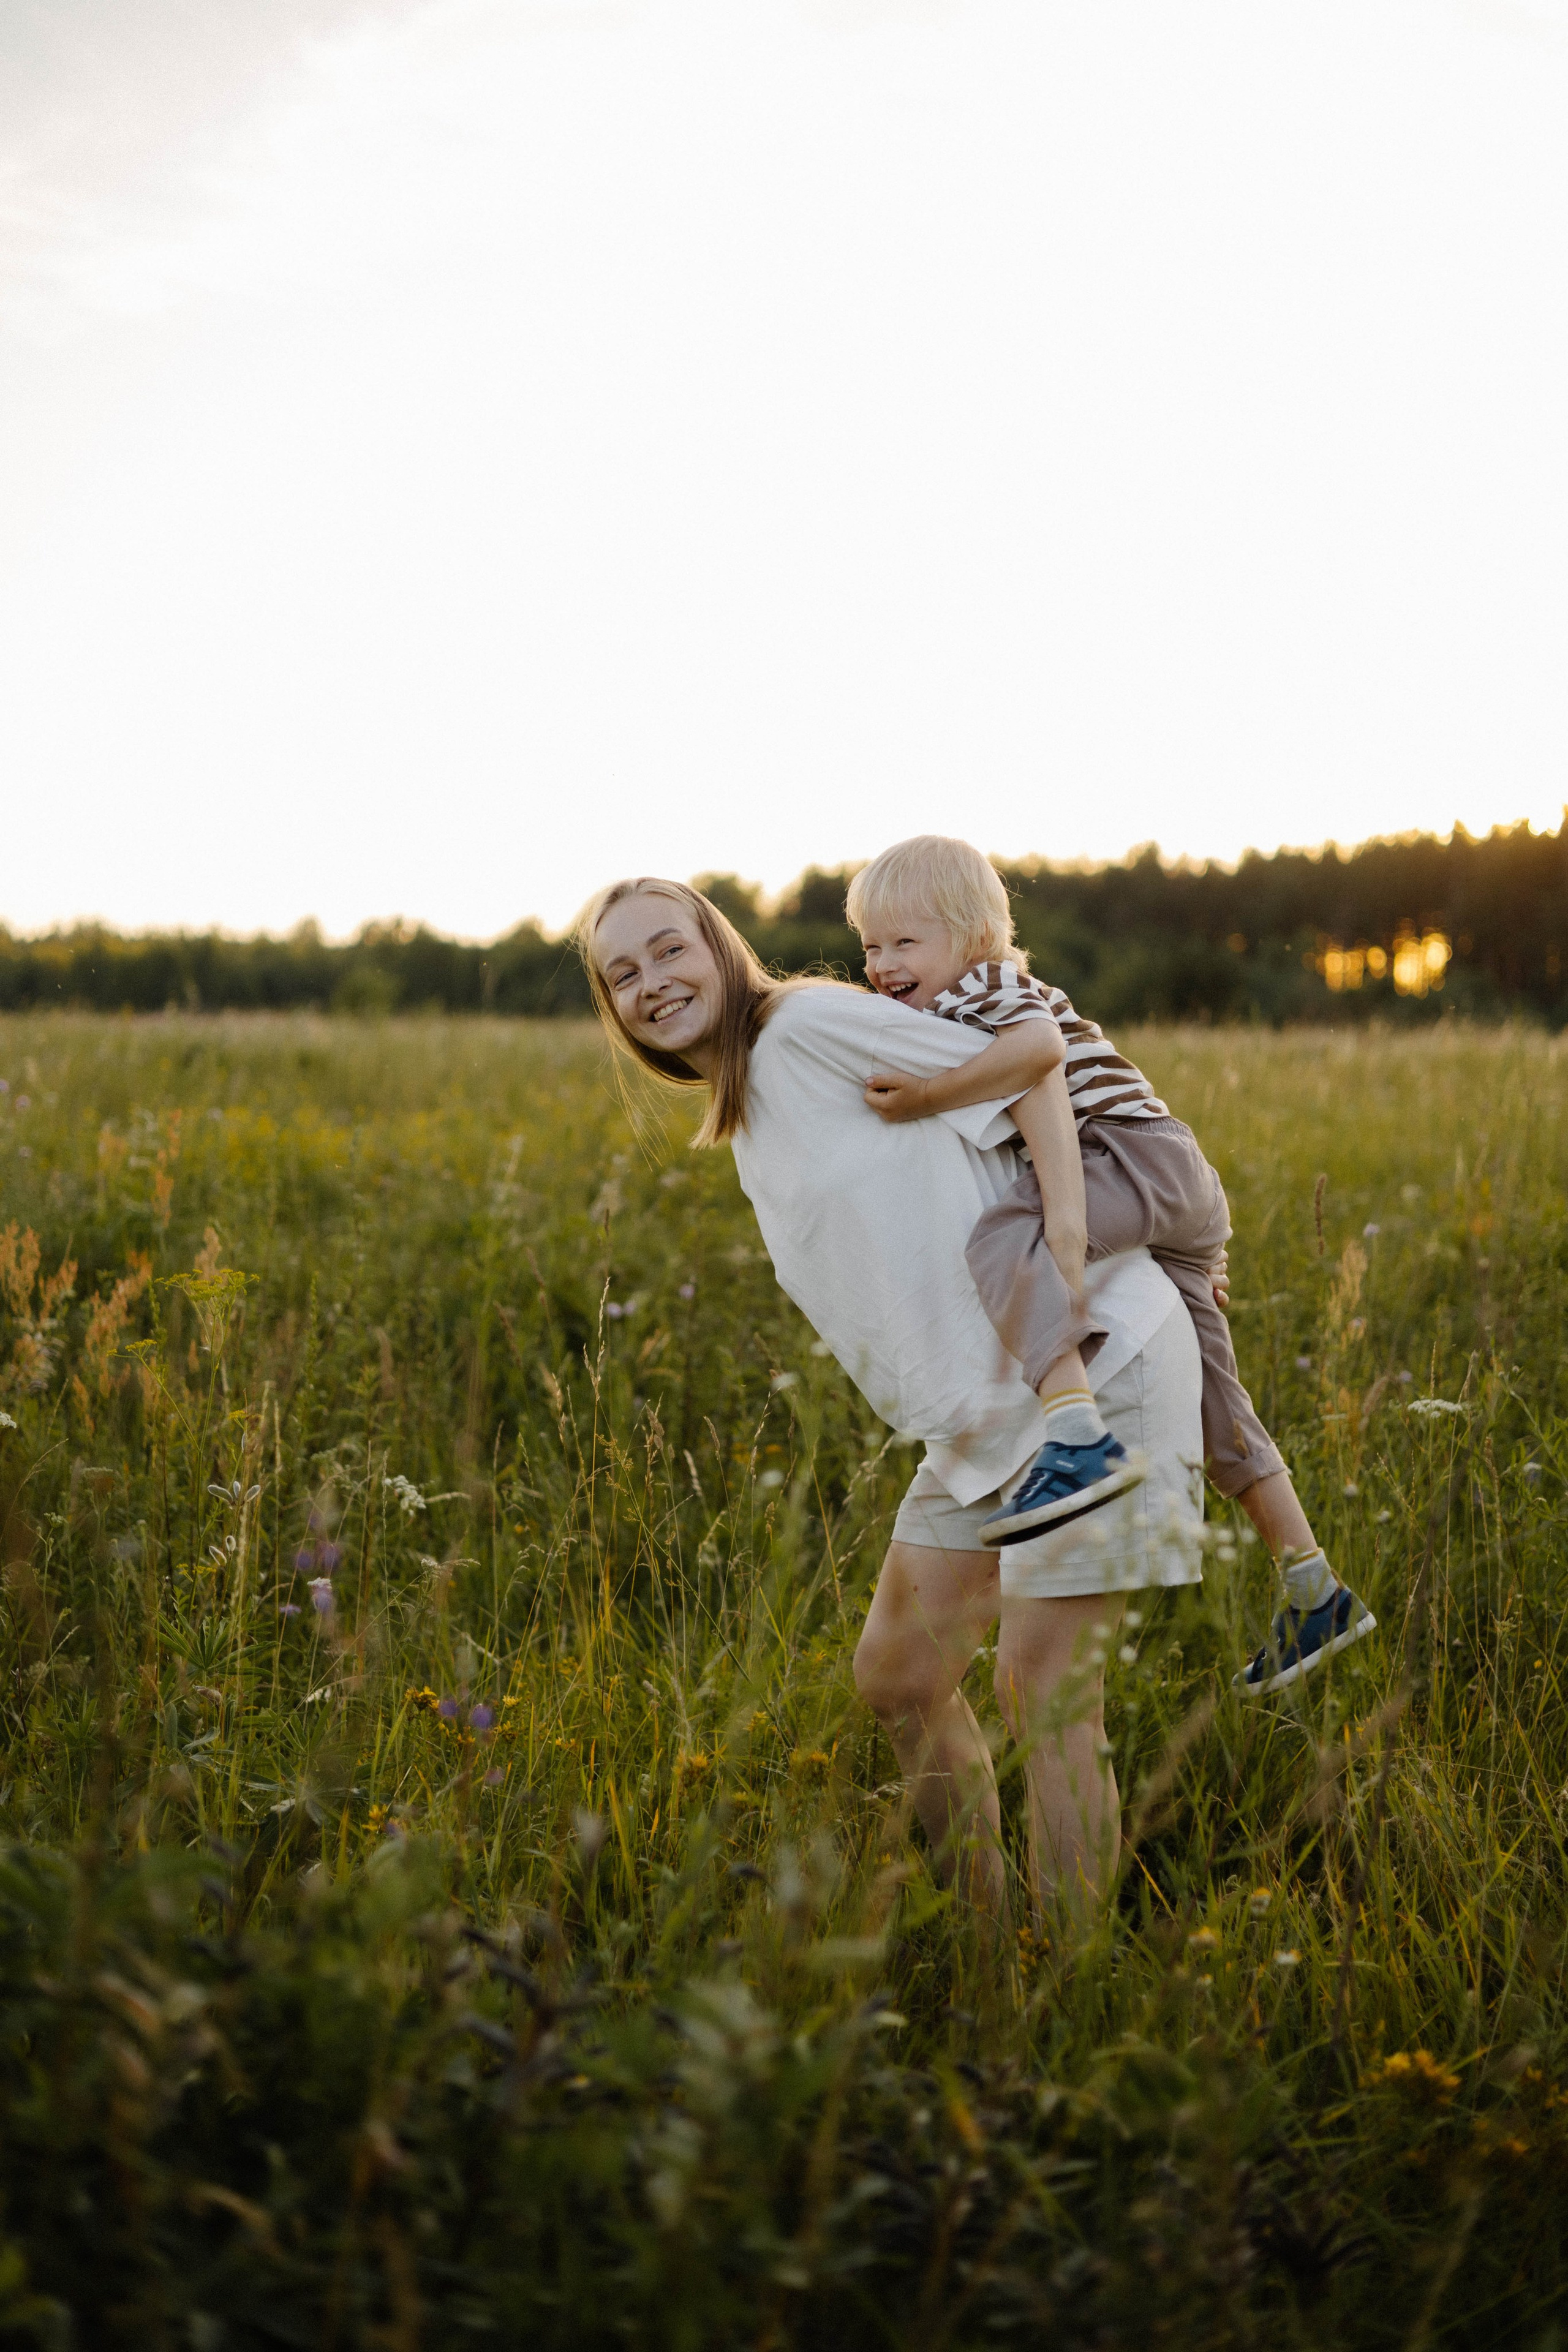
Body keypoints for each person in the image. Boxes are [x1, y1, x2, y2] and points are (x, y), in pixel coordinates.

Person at [578, 874, 1207, 1926]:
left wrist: (1079, 1234)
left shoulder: (809, 1027)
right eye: (623, 974)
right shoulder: (752, 1100)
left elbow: (1035, 1056)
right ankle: (991, 1955)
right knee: (900, 1676)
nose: (653, 984)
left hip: (1091, 1372)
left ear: (719, 947)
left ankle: (1070, 2004)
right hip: (976, 1425)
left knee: (1045, 1699)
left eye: (670, 951)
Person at [844, 833, 1376, 1697]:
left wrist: (929, 1097)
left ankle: (1076, 1432)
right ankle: (1313, 1584)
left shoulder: (987, 988)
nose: (883, 965)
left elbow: (1037, 1056)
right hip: (1173, 1174)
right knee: (1216, 1399)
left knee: (1001, 1239)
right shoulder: (961, 995)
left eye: (906, 943)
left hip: (1131, 1156)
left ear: (976, 936)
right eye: (872, 947)